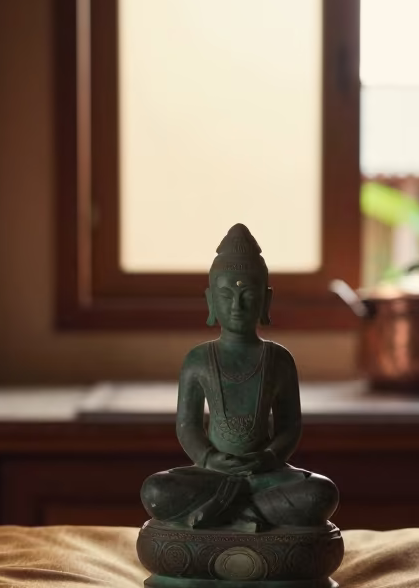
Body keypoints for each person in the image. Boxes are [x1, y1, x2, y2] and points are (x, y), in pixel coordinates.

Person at [139, 224, 339, 532]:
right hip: (214, 473)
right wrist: (209, 459)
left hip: (265, 474)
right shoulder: (198, 360)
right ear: (210, 301)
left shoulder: (279, 359)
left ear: (265, 300)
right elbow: (187, 426)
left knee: (321, 492)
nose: (237, 305)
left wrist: (269, 458)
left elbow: (290, 426)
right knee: (155, 492)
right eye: (226, 295)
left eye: (248, 294)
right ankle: (249, 513)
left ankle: (227, 509)